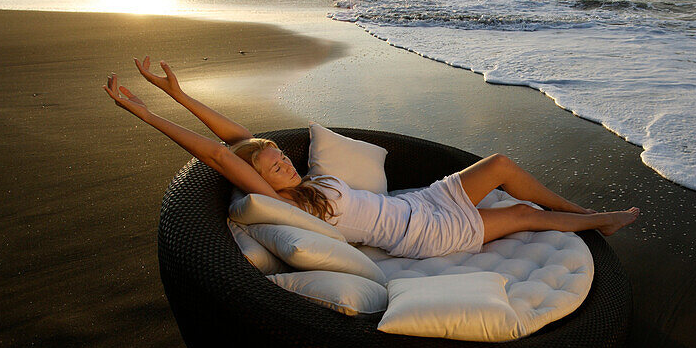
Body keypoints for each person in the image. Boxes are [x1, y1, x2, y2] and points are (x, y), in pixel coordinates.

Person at [104, 57, 639, 259]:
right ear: (262, 182)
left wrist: (178, 91)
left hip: (422, 202)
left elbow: (241, 138)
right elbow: (222, 155)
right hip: (424, 235)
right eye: (272, 168)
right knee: (522, 215)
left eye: (280, 160)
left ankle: (574, 206)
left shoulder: (302, 182)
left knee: (499, 163)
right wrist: (144, 112)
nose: (283, 163)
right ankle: (601, 223)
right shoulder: (285, 203)